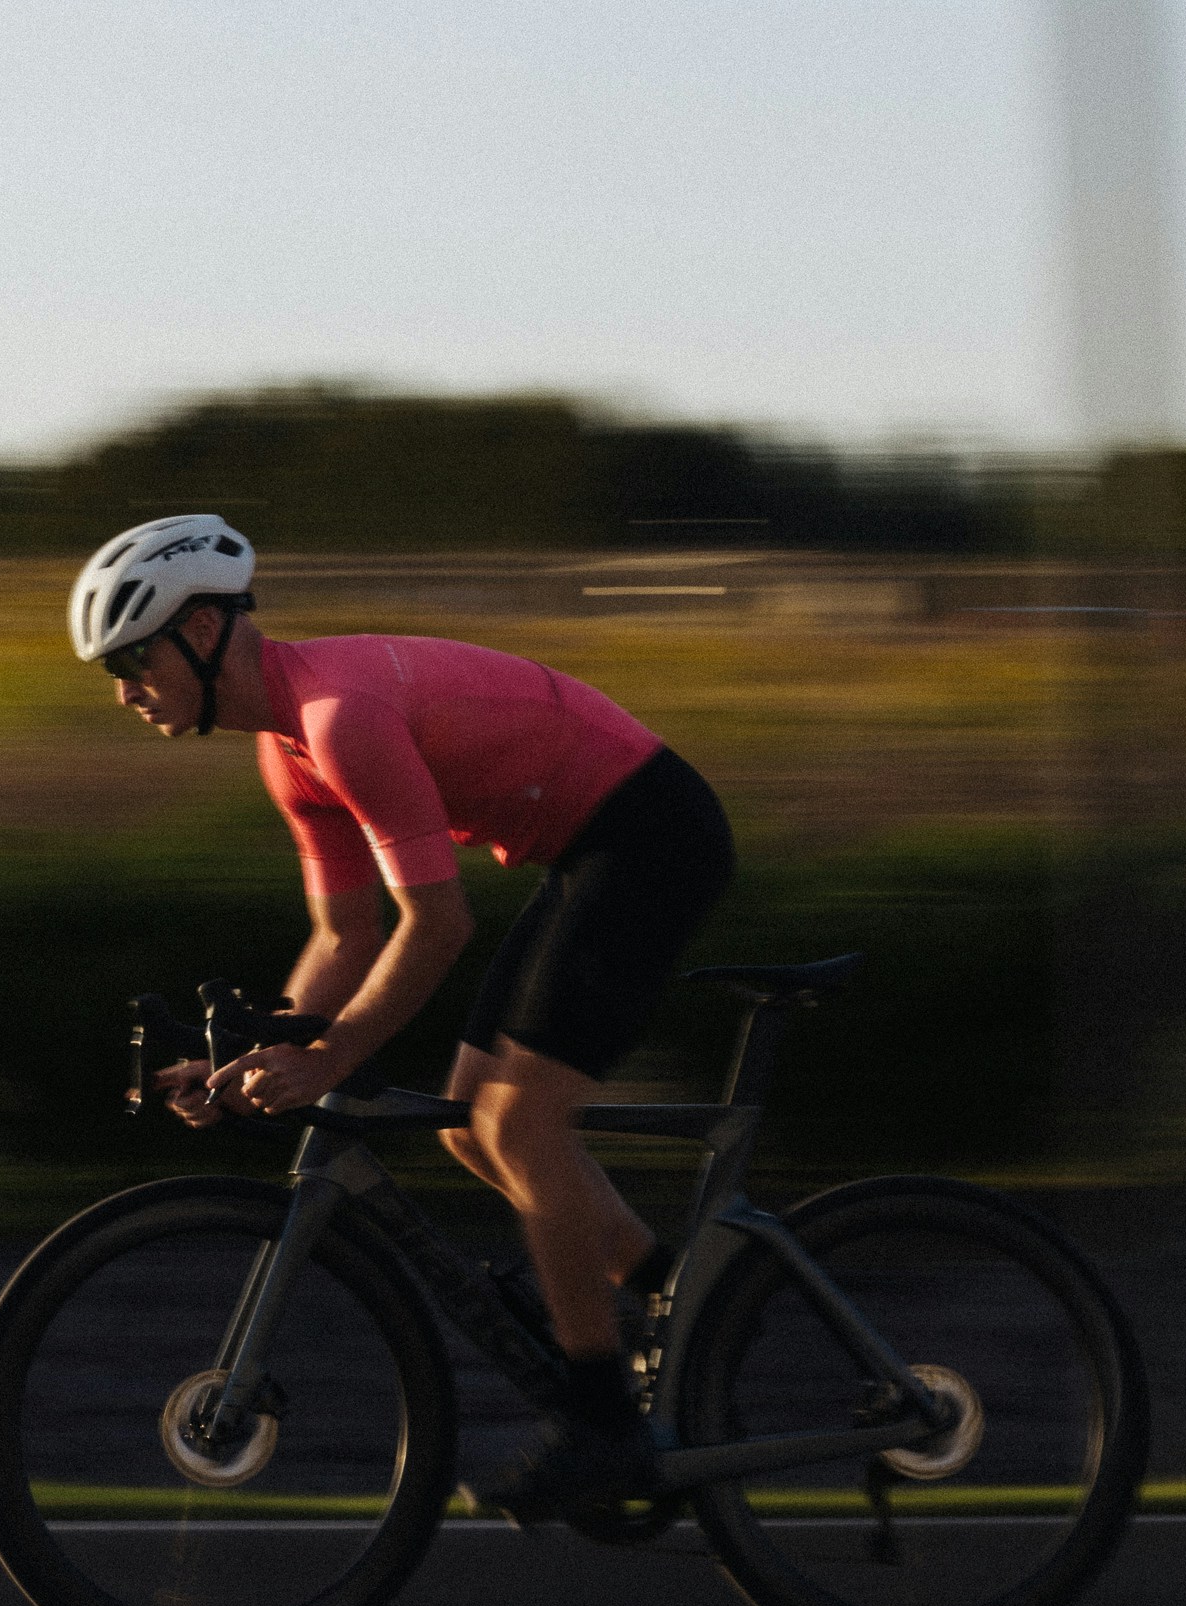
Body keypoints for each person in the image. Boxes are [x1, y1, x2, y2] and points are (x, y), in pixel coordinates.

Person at [68, 514, 735, 1520]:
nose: (122, 691)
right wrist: (250, 1055)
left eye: (131, 657)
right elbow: (345, 936)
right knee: (473, 1126)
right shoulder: (288, 751)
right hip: (585, 847)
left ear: (202, 630)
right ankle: (680, 1298)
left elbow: (437, 923)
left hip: (647, 832)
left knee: (522, 1121)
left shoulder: (342, 719)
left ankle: (606, 1427)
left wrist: (327, 1059)